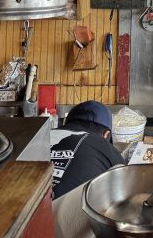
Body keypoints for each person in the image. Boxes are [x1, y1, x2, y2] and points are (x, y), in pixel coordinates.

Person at [51, 100, 125, 238]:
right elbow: (126, 186)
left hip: (14, 220)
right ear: (106, 134)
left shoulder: (43, 134)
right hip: (56, 229)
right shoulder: (103, 146)